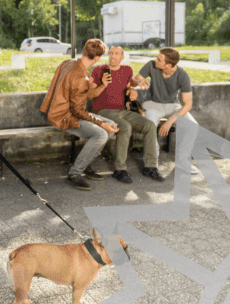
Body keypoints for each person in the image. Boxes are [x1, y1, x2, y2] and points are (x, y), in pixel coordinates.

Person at [40, 39, 118, 191]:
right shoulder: (80, 77)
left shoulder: (69, 62)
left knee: (112, 124)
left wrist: (103, 85)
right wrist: (101, 124)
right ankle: (75, 174)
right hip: (63, 116)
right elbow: (77, 111)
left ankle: (84, 161)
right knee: (102, 134)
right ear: (97, 58)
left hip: (62, 110)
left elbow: (86, 95)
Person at [89, 46, 164, 183]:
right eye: (111, 53)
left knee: (149, 125)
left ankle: (150, 166)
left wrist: (133, 88)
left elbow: (130, 83)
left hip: (123, 111)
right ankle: (120, 170)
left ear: (122, 57)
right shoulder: (98, 70)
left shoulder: (127, 70)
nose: (113, 56)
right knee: (125, 127)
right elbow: (90, 94)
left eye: (117, 53)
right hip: (103, 111)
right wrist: (103, 85)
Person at [134, 47, 200, 174]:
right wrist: (138, 81)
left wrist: (170, 121)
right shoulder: (151, 65)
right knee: (150, 126)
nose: (155, 60)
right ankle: (152, 163)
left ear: (168, 65)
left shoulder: (182, 75)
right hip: (152, 104)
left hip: (172, 106)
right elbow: (135, 80)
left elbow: (188, 104)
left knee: (192, 126)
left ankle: (183, 163)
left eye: (159, 59)